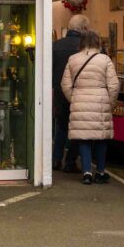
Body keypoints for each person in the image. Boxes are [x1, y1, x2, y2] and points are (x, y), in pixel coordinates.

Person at [61, 30, 119, 185]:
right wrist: (110, 102)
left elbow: (65, 85)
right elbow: (114, 85)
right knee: (101, 139)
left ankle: (86, 172)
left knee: (83, 139)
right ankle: (100, 172)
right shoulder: (104, 59)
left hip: (79, 99)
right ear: (97, 43)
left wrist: (74, 98)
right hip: (100, 101)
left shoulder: (73, 59)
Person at [52, 14, 88, 172]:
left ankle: (56, 159)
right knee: (78, 128)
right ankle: (71, 161)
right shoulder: (86, 49)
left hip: (59, 94)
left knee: (61, 127)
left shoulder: (56, 46)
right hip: (81, 94)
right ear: (84, 29)